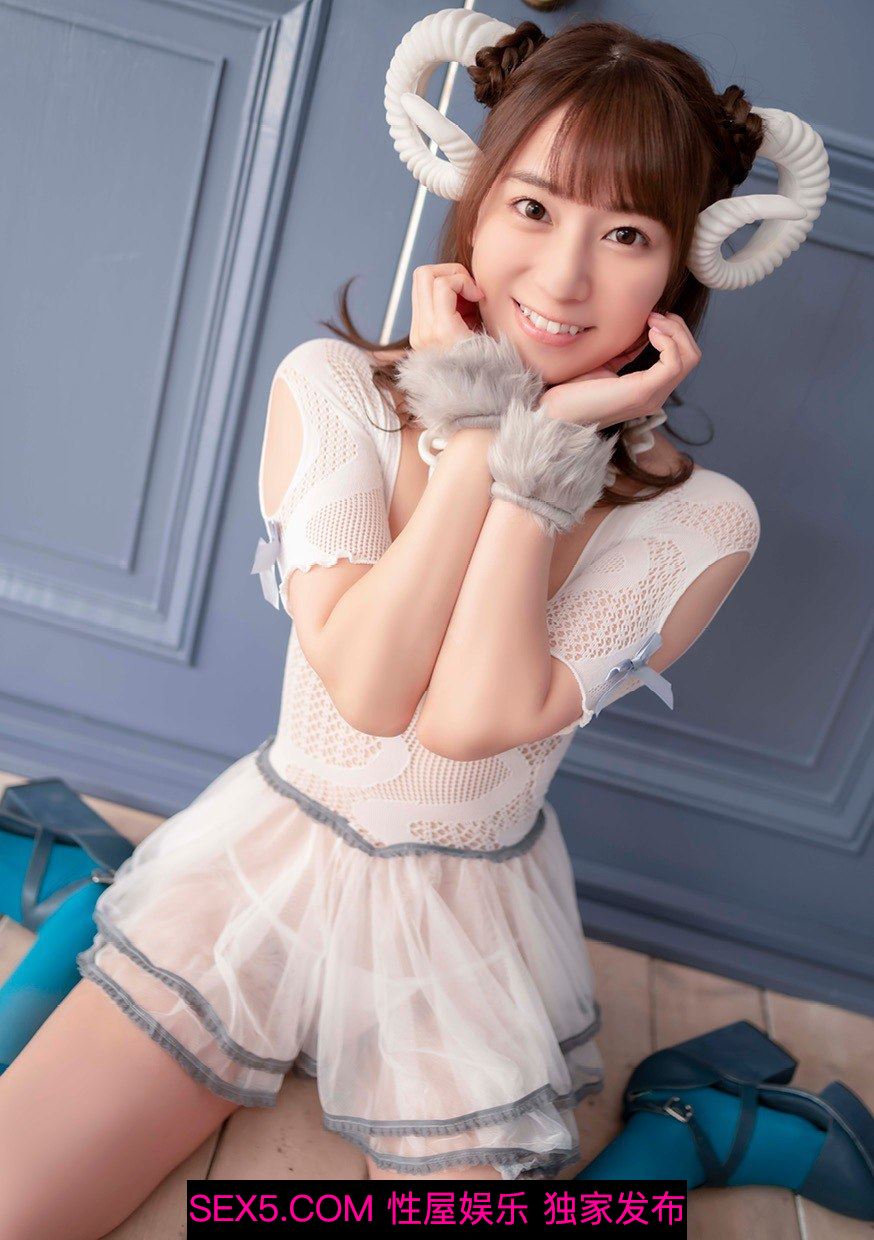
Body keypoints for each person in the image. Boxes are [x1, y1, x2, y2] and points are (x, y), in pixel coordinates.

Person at [0, 10, 830, 1235]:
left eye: (625, 234)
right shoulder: (332, 389)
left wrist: (542, 460)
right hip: (262, 867)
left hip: (462, 924)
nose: (563, 278)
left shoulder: (702, 520)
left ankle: (692, 1125)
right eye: (533, 207)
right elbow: (371, 688)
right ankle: (98, 896)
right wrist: (477, 431)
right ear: (474, 207)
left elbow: (466, 722)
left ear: (679, 271)